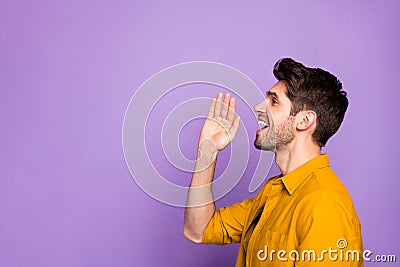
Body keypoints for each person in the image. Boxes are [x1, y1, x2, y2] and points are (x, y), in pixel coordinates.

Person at [183, 58, 363, 266]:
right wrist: (207, 153)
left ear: (304, 121)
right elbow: (198, 230)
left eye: (274, 101)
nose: (259, 107)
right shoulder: (274, 192)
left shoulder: (324, 205)